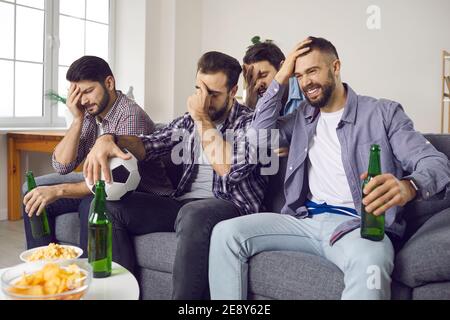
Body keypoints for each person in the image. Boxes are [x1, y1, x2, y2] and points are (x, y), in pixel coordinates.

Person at [208, 37, 450, 300]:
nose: (306, 82)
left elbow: (435, 163)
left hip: (358, 226)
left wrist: (409, 185)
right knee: (226, 234)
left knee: (371, 264)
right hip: (305, 222)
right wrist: (281, 77)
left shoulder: (383, 113)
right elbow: (256, 140)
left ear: (335, 67)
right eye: (299, 75)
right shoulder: (302, 116)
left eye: (312, 71)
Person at [79, 51, 268, 299]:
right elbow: (149, 145)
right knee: (107, 207)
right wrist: (110, 137)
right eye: (200, 90)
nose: (204, 101)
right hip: (184, 204)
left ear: (233, 92)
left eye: (213, 94)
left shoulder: (251, 123)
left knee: (194, 213)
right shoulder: (187, 123)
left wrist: (201, 118)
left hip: (231, 206)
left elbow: (229, 169)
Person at [22, 56, 172, 253]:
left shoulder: (130, 116)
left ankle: (87, 277)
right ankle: (46, 269)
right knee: (34, 193)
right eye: (78, 93)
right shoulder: (90, 114)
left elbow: (110, 182)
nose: (83, 100)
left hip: (142, 194)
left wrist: (58, 191)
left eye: (88, 91)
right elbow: (62, 166)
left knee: (90, 205)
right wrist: (77, 120)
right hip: (106, 185)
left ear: (109, 83)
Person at [243, 41, 305, 115]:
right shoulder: (258, 99)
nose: (258, 84)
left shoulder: (305, 90)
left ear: (282, 68)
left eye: (263, 75)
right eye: (252, 78)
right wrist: (251, 106)